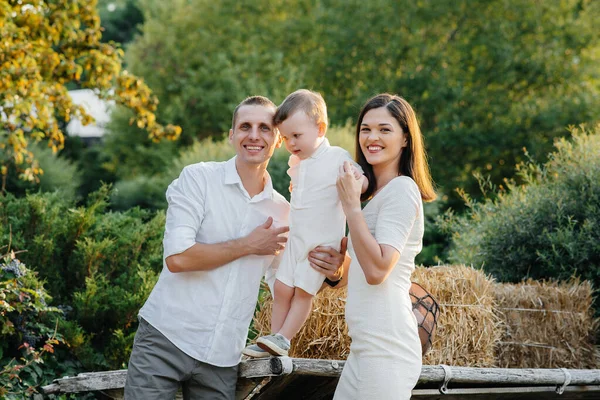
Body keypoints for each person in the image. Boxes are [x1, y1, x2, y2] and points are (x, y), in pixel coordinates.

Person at [124, 96, 346, 400]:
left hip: (223, 358)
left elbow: (288, 282)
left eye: (264, 128)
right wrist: (247, 245)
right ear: (232, 135)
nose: (254, 135)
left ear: (278, 140)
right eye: (245, 127)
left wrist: (335, 270)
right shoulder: (198, 179)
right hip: (165, 339)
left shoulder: (284, 211)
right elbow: (177, 259)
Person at [326, 93, 437, 400]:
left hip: (387, 346)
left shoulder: (402, 190)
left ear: (405, 139)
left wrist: (351, 207)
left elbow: (378, 270)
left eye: (385, 129)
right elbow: (354, 275)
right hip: (365, 345)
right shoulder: (375, 199)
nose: (372, 137)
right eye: (365, 129)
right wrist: (336, 269)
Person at [243, 89, 367, 358]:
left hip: (320, 244)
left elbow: (361, 180)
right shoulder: (299, 161)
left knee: (302, 292)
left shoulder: (337, 156)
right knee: (281, 286)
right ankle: (271, 340)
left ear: (320, 128)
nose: (291, 143)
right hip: (297, 238)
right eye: (286, 138)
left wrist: (358, 183)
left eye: (296, 136)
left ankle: (284, 339)